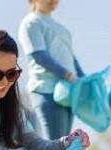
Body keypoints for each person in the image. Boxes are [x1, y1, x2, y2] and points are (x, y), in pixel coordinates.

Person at [18, 0, 86, 140]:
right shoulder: (31, 22)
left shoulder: (60, 27)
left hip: (67, 92)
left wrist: (83, 78)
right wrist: (65, 74)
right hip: (46, 90)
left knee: (64, 146)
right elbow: (38, 55)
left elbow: (70, 58)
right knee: (55, 146)